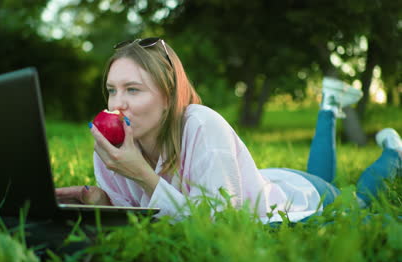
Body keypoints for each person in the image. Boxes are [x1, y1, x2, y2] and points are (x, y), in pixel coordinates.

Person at [55, 37, 402, 223]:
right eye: (113, 90)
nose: (118, 104)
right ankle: (329, 106)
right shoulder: (110, 150)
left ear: (168, 97)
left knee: (355, 199)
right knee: (318, 176)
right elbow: (141, 219)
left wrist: (143, 174)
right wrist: (102, 202)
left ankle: (394, 152)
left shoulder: (201, 124)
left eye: (133, 89)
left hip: (291, 198)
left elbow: (221, 223)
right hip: (264, 180)